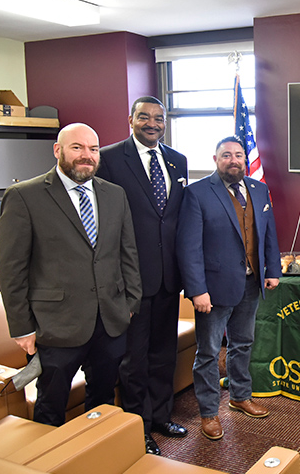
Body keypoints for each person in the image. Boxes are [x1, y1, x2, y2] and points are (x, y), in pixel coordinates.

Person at [0, 123, 142, 427]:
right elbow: (12, 269)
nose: (86, 155)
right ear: (58, 150)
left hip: (110, 320)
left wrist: (130, 302)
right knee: (51, 404)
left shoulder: (114, 195)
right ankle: (47, 469)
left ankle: (95, 456)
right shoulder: (25, 196)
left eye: (93, 149)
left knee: (102, 399)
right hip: (56, 325)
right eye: (77, 147)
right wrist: (22, 328)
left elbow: (127, 253)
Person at [97, 96, 189, 455]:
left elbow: (173, 218)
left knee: (164, 353)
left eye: (158, 118)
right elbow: (105, 224)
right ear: (130, 120)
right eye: (144, 117)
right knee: (134, 358)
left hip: (169, 277)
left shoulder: (176, 160)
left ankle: (162, 415)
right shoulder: (109, 158)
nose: (152, 123)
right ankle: (139, 426)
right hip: (130, 279)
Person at [177, 137, 282, 441]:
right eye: (226, 155)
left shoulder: (259, 189)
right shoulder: (197, 193)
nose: (233, 160)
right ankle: (209, 413)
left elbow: (268, 231)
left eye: (238, 155)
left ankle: (240, 395)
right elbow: (189, 247)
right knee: (209, 353)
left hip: (250, 283)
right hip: (213, 289)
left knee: (243, 343)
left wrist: (272, 269)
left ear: (244, 160)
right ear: (215, 159)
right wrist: (197, 290)